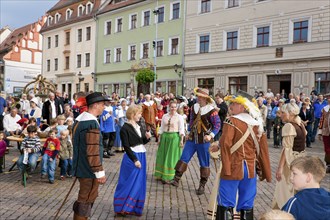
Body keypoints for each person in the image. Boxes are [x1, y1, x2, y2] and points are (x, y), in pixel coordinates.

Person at [210, 91, 271, 220]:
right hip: (250, 169)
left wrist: (226, 166)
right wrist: (263, 169)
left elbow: (226, 143)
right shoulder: (257, 124)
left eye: (234, 103)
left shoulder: (231, 121)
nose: (230, 105)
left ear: (243, 106)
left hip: (233, 166)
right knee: (247, 202)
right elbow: (263, 150)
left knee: (226, 201)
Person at [170, 87, 220, 195]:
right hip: (192, 139)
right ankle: (176, 179)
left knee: (204, 163)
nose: (198, 98)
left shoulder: (212, 111)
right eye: (198, 96)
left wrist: (211, 135)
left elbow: (217, 125)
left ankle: (202, 185)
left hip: (204, 141)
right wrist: (188, 132)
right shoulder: (194, 107)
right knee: (184, 158)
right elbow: (191, 121)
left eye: (200, 97)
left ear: (205, 98)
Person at [72, 92, 107, 220]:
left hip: (81, 167)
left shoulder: (79, 121)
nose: (104, 107)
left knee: (84, 198)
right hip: (88, 170)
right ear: (96, 105)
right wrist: (99, 172)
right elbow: (93, 150)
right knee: (86, 200)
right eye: (102, 104)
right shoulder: (91, 123)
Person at [113, 105, 151, 216]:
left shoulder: (138, 126)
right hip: (132, 158)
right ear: (133, 114)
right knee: (128, 182)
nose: (140, 116)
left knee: (139, 182)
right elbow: (126, 146)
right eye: (139, 114)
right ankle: (122, 207)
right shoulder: (124, 128)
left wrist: (147, 138)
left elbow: (140, 142)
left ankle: (133, 207)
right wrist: (135, 160)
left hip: (141, 155)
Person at [272, 103, 307, 209]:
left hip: (290, 161)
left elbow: (286, 149)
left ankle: (285, 210)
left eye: (283, 113)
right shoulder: (300, 123)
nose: (281, 115)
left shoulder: (289, 126)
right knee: (294, 188)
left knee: (285, 189)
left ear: (291, 113)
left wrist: (280, 168)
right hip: (300, 159)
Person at [154, 101, 185, 184]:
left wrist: (181, 140)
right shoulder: (165, 116)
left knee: (171, 157)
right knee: (163, 155)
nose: (173, 109)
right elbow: (161, 128)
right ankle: (161, 174)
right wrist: (159, 138)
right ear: (169, 107)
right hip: (164, 137)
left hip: (174, 138)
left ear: (177, 108)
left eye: (175, 107)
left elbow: (181, 129)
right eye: (172, 107)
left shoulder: (179, 117)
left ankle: (170, 176)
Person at [318, 96, 330, 173]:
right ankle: (328, 164)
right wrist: (320, 132)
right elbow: (321, 120)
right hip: (326, 131)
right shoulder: (325, 109)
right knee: (327, 149)